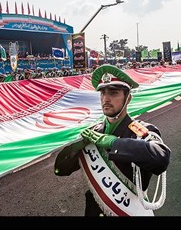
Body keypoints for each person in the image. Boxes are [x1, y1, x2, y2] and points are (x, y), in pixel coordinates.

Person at [54, 64, 171, 216]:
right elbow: (61, 170)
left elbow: (161, 158)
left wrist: (113, 143)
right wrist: (74, 147)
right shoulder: (94, 133)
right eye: (102, 93)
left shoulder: (140, 131)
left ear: (128, 98)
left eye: (114, 93)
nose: (106, 99)